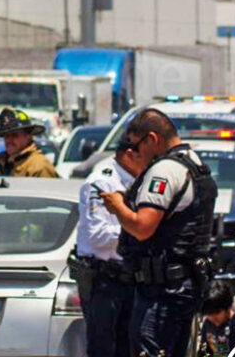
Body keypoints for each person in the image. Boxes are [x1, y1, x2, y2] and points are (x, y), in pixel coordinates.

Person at [99, 108, 217, 357]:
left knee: (148, 350)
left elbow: (143, 227)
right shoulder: (195, 164)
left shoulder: (164, 170)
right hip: (184, 284)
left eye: (136, 145)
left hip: (162, 291)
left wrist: (118, 206)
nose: (135, 152)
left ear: (152, 139)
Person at [73, 148, 141, 357]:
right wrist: (139, 229)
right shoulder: (101, 181)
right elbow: (99, 236)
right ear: (130, 154)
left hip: (129, 277)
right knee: (103, 348)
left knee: (128, 347)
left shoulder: (136, 180)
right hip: (104, 279)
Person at [0, 107, 58, 178]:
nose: (9, 140)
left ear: (28, 136)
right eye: (6, 136)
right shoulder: (6, 164)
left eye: (14, 135)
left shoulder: (39, 166)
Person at [200, 282, 235, 357]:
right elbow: (205, 350)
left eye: (217, 312)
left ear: (227, 308)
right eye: (209, 314)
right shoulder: (207, 324)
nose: (213, 317)